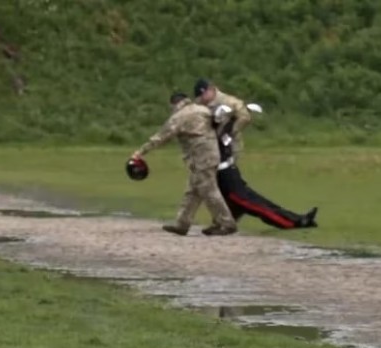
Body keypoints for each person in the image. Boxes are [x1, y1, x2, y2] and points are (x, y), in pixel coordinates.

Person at [132, 92, 237, 236]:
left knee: (209, 190)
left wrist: (140, 152)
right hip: (210, 154)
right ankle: (183, 224)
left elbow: (161, 137)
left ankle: (227, 223)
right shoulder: (202, 109)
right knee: (193, 191)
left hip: (200, 157)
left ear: (174, 103)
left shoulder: (179, 116)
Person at [214, 112, 318, 229]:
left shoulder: (223, 133)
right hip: (225, 178)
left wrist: (235, 116)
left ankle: (299, 218)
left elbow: (230, 128)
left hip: (231, 173)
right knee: (258, 207)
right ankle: (292, 223)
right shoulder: (212, 136)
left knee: (262, 202)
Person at [194, 79, 251, 161]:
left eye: (204, 94)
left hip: (229, 145)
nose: (202, 99)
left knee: (228, 171)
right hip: (209, 146)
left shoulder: (229, 101)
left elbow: (245, 116)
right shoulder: (200, 104)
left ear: (210, 90)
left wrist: (231, 130)